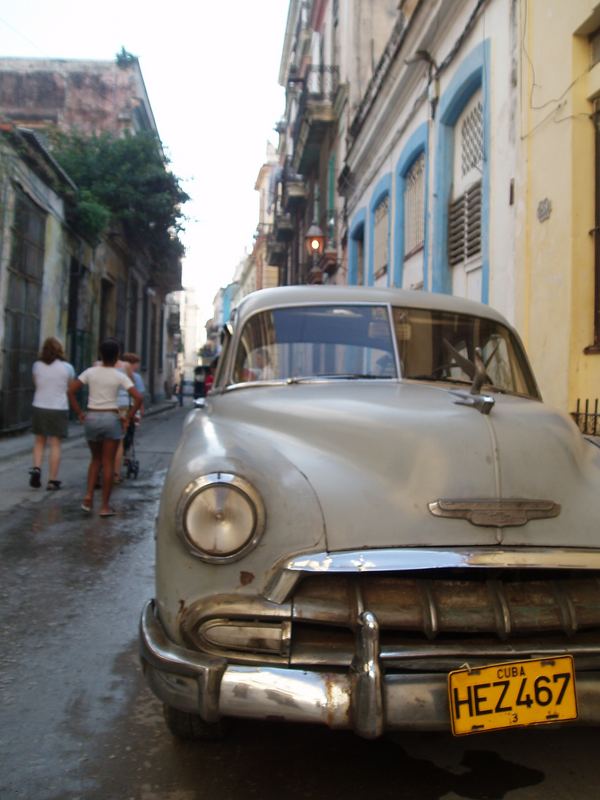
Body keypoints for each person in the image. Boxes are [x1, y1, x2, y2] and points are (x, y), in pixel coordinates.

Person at [68, 338, 142, 517]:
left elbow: (70, 391)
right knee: (108, 462)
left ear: (100, 354)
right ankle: (104, 506)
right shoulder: (119, 375)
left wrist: (79, 412)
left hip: (92, 417)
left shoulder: (90, 372)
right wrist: (127, 418)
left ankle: (88, 497)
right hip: (111, 418)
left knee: (95, 460)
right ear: (117, 356)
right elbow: (138, 398)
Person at [29, 337, 75, 490]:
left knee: (39, 441)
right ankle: (52, 480)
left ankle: (36, 469)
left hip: (39, 405)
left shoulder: (37, 365)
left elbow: (36, 383)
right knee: (55, 443)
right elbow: (70, 387)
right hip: (58, 407)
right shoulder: (67, 367)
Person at [113, 352, 145, 481]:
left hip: (110, 406)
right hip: (126, 407)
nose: (137, 366)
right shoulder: (134, 377)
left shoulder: (104, 369)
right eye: (136, 363)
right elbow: (139, 395)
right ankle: (116, 472)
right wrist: (137, 412)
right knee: (122, 439)